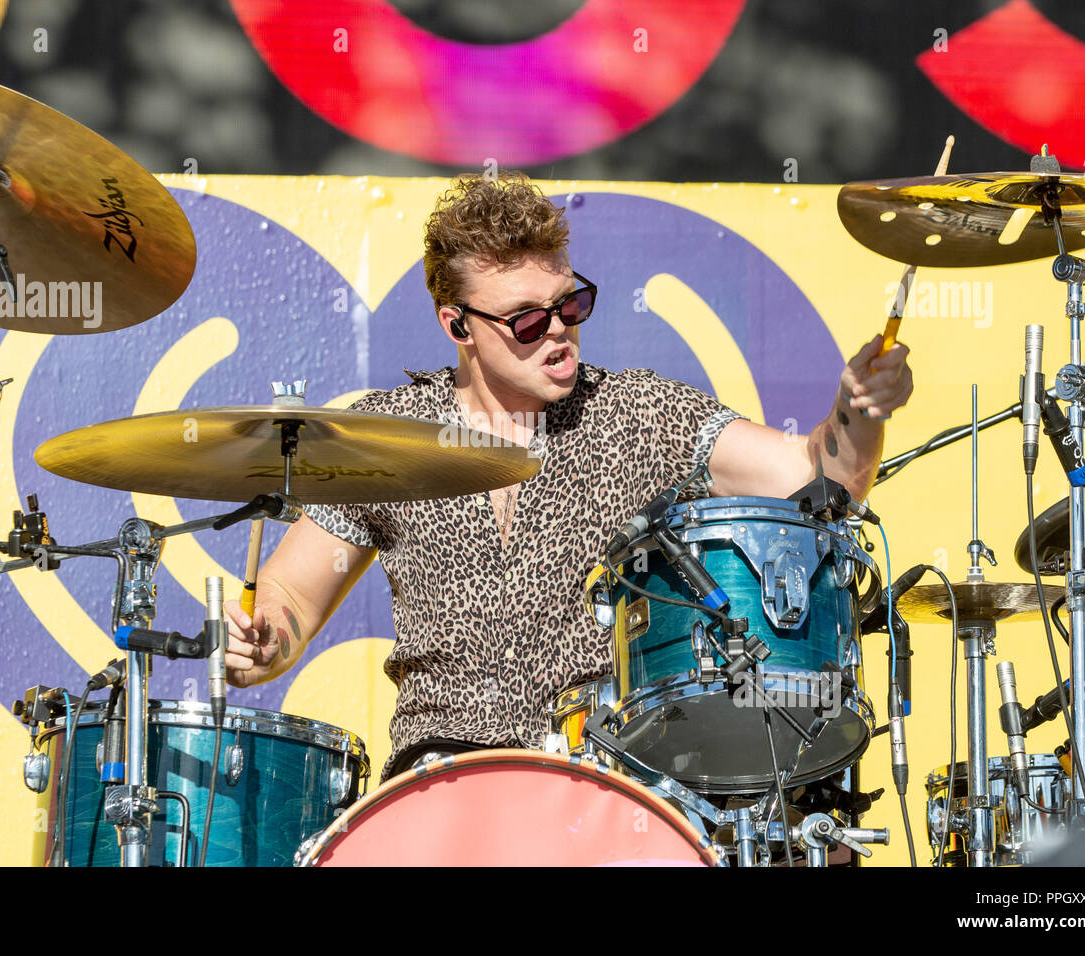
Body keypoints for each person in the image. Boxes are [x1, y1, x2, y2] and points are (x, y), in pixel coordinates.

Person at [225, 172, 913, 780]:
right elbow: (289, 595)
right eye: (527, 319)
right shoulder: (391, 433)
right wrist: (264, 640)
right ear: (457, 325)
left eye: (569, 304)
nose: (557, 329)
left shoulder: (640, 412)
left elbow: (820, 478)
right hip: (438, 778)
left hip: (604, 776)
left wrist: (857, 412)